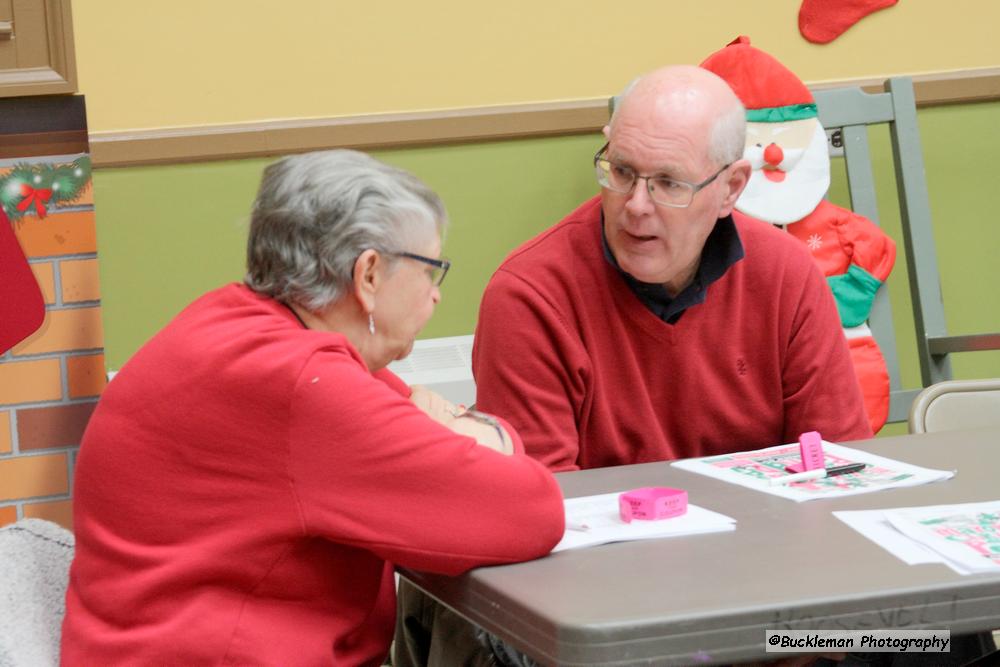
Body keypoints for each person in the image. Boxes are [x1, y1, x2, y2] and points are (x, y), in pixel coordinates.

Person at [395, 64, 872, 666]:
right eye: (621, 172)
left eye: (669, 182)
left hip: (771, 605)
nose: (636, 207)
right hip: (612, 618)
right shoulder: (531, 293)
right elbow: (548, 520)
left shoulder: (785, 275)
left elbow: (839, 474)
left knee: (919, 636)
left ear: (732, 187)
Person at [61, 149, 565, 666]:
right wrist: (467, 427)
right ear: (368, 274)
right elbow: (533, 510)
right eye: (431, 270)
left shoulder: (239, 325)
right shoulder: (304, 386)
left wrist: (453, 427)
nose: (435, 297)